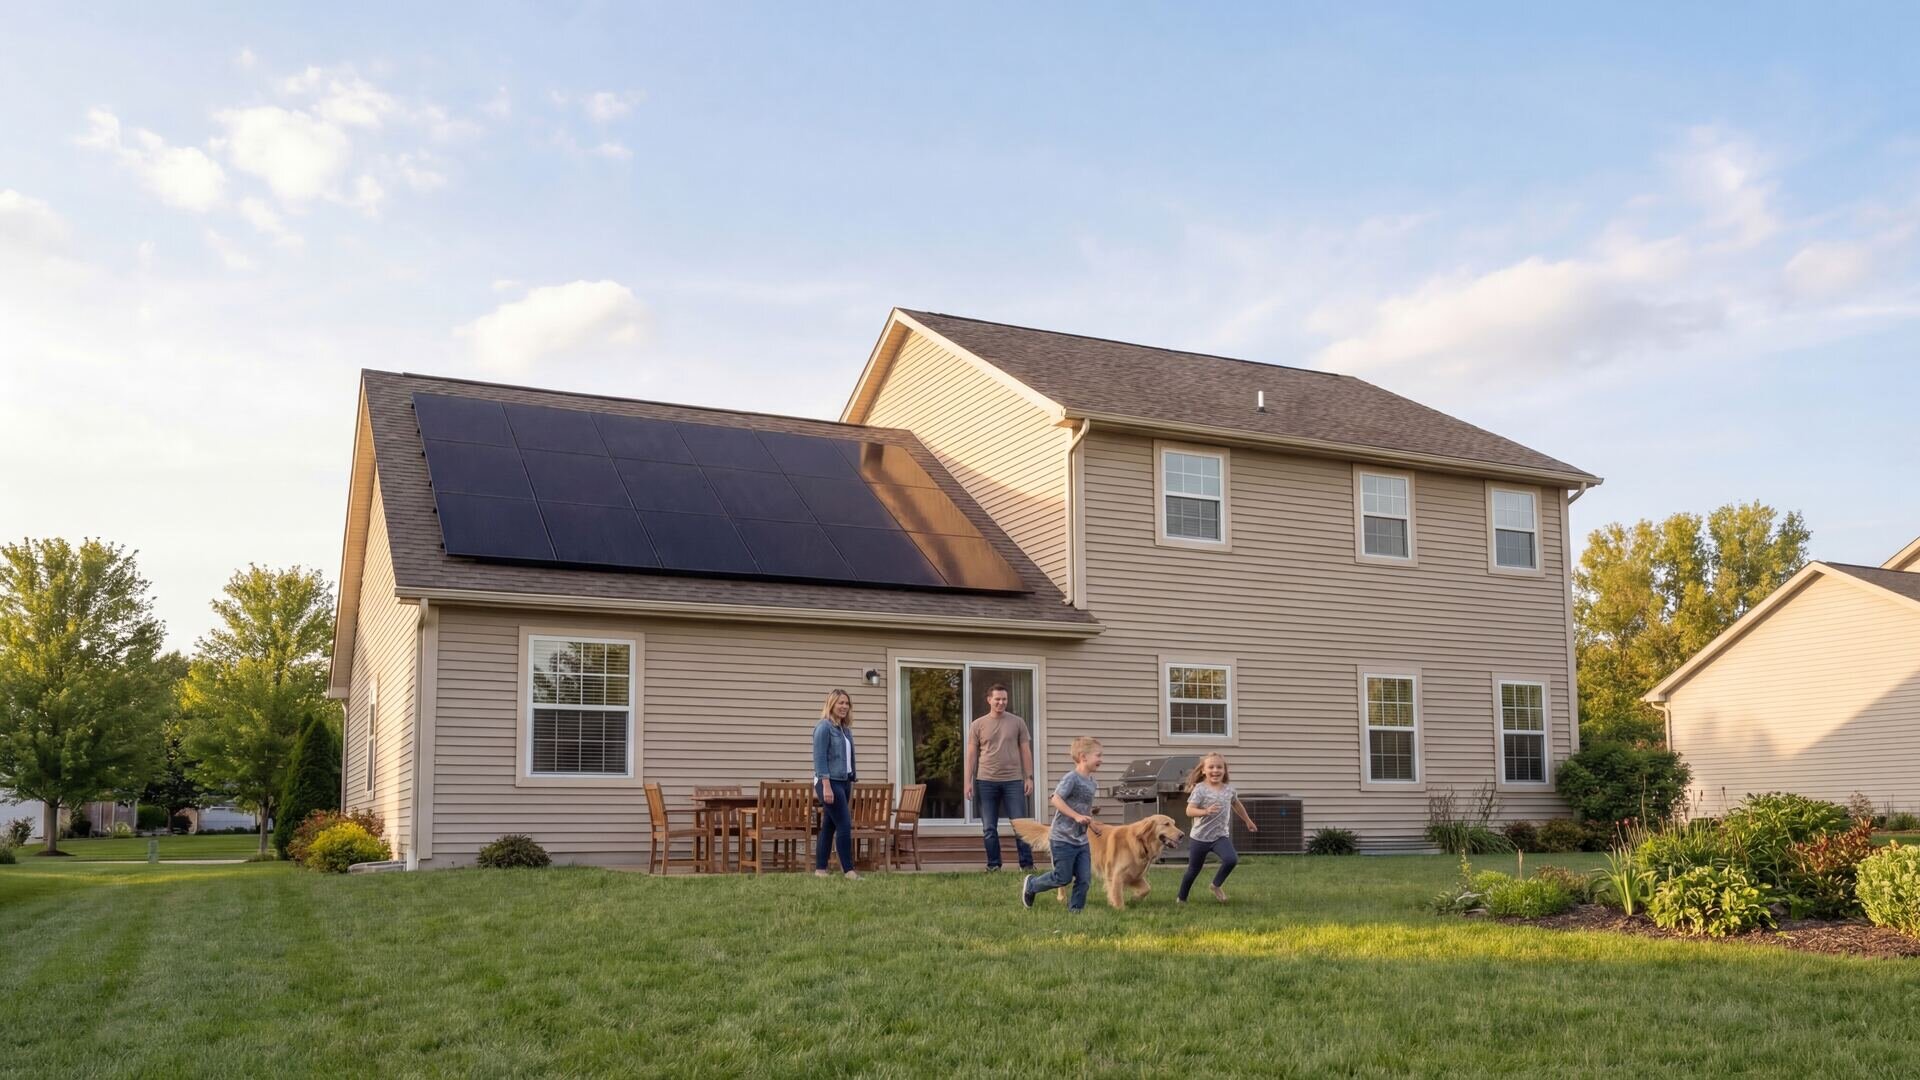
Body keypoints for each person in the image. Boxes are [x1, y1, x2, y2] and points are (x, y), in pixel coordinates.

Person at [1021, 736, 1102, 912]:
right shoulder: (1071, 778)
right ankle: (1032, 884)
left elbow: (1084, 809)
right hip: (1062, 838)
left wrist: (1092, 824)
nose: (1100, 759)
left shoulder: (1093, 783)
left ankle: (1076, 911)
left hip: (1081, 840)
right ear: (1083, 757)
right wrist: (1075, 816)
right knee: (1062, 878)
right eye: (1098, 755)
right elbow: (1056, 799)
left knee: (1084, 879)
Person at [964, 682, 1035, 872]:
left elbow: (1026, 751)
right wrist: (967, 782)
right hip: (986, 781)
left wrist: (1029, 777)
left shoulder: (1017, 722)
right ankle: (994, 865)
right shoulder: (977, 725)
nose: (1001, 702)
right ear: (989, 700)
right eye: (997, 699)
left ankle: (1027, 865)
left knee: (1021, 825)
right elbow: (971, 755)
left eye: (1004, 699)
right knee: (989, 828)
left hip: (1013, 781)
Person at [1177, 752, 1257, 903]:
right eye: (1211, 767)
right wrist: (1205, 811)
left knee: (1231, 859)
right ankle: (1181, 898)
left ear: (1224, 770)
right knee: (1193, 871)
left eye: (1219, 767)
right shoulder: (1200, 789)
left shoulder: (1229, 790)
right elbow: (1189, 811)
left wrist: (1248, 820)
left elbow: (1236, 804)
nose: (1215, 770)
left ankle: (1215, 885)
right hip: (1200, 838)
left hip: (1220, 836)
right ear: (1203, 771)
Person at [811, 688, 860, 879]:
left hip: (844, 781)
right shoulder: (824, 727)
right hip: (829, 781)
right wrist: (826, 785)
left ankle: (820, 870)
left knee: (829, 826)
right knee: (844, 824)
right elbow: (820, 758)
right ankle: (849, 870)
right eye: (840, 703)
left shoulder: (845, 730)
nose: (844, 707)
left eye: (847, 703)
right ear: (831, 704)